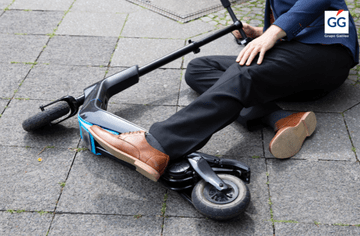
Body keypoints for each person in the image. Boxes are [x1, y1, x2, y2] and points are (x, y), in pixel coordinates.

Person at [89, 0, 359, 182]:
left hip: (328, 54)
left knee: (244, 73)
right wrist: (259, 32)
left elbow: (318, 4)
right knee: (199, 68)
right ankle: (281, 119)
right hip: (300, 56)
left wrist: (273, 33)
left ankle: (158, 145)